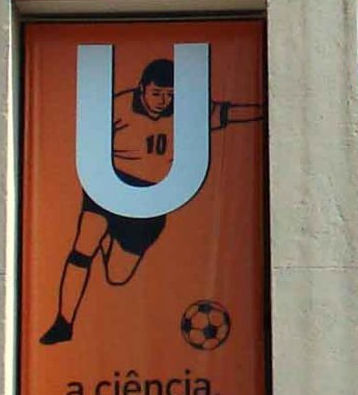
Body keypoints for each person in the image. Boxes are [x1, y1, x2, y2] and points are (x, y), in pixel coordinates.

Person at [38, 57, 260, 345]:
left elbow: (229, 113)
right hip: (109, 186)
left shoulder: (187, 111)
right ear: (142, 88)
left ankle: (110, 241)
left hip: (152, 201)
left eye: (169, 95)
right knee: (82, 249)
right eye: (156, 93)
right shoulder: (117, 107)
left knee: (117, 275)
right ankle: (63, 323)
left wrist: (273, 105)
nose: (162, 101)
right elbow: (85, 135)